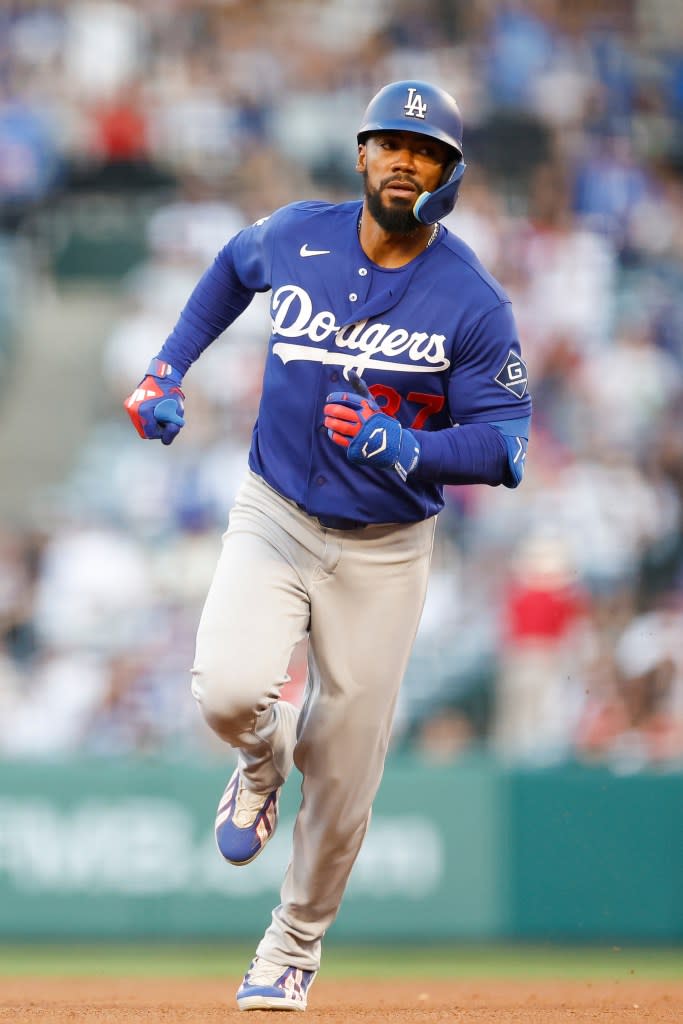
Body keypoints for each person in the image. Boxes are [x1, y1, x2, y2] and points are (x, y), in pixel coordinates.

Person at [124, 80, 532, 1012]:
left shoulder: (472, 300)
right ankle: (260, 763)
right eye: (389, 143)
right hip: (274, 511)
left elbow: (507, 447)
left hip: (384, 550)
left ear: (450, 174)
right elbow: (231, 266)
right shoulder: (298, 234)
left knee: (345, 770)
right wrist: (166, 368)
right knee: (228, 692)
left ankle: (290, 945)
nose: (403, 160)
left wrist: (412, 446)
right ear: (361, 154)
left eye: (424, 150)